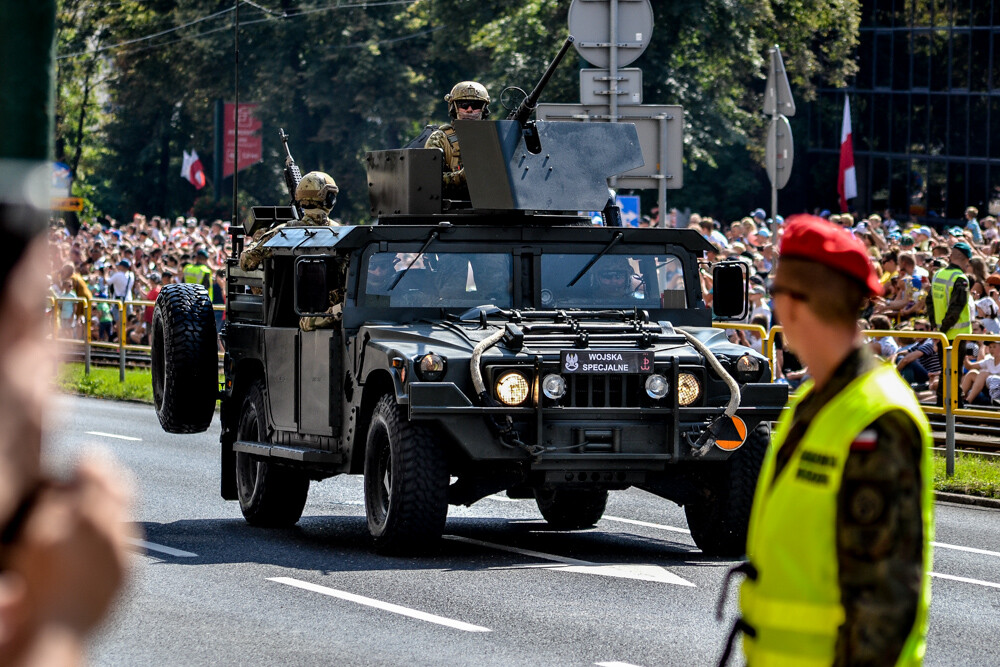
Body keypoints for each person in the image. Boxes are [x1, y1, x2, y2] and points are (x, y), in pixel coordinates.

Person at [720, 214, 933, 667]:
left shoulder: (877, 418)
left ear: (795, 305)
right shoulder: (817, 401)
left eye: (776, 293)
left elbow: (886, 606)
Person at [240, 171, 339, 271]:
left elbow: (246, 263)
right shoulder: (339, 232)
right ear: (330, 200)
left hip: (290, 287)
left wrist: (257, 240)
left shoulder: (282, 233)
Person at [926, 241, 974, 404]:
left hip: (942, 333)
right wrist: (942, 332)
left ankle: (945, 405)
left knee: (946, 371)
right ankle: (953, 407)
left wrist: (935, 328)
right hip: (954, 335)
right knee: (953, 372)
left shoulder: (938, 274)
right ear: (967, 260)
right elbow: (955, 310)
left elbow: (929, 302)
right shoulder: (961, 279)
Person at [424, 81, 491, 197]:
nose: (469, 110)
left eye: (476, 106)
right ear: (454, 108)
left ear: (483, 109)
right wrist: (463, 176)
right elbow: (429, 180)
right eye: (464, 105)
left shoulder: (492, 138)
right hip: (454, 208)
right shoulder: (440, 138)